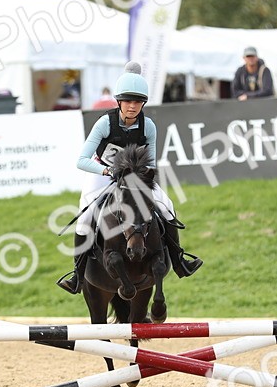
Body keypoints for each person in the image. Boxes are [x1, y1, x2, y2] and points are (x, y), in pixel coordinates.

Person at [56, 61, 203, 294]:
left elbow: (151, 163)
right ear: (119, 102)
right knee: (85, 219)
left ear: (143, 103)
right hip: (103, 172)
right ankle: (77, 276)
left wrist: (141, 178)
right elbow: (81, 160)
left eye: (137, 102)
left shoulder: (148, 127)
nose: (132, 106)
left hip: (134, 178)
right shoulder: (105, 123)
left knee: (167, 206)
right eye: (127, 101)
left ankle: (179, 261)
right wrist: (107, 171)